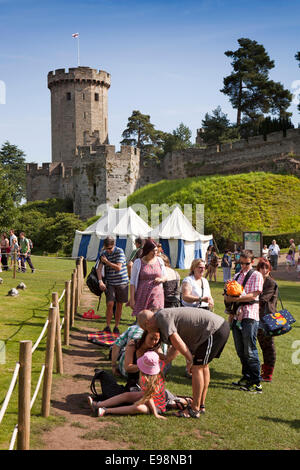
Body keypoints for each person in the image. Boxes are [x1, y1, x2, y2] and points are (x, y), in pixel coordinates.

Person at [137, 307, 230, 418]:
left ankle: (194, 409)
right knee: (203, 366)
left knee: (197, 368)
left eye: (145, 329)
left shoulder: (162, 318)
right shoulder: (161, 319)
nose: (147, 332)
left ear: (147, 323)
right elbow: (176, 344)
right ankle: (200, 405)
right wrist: (166, 360)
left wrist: (190, 360)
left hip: (214, 329)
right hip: (217, 328)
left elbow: (177, 341)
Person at [88, 350, 191, 419]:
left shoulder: (147, 381)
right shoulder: (157, 370)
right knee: (127, 395)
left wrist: (155, 413)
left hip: (157, 406)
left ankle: (105, 410)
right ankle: (98, 404)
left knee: (138, 407)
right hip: (147, 396)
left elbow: (149, 398)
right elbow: (171, 356)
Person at [224, 250, 264, 393]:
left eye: (246, 263)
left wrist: (236, 298)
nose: (243, 266)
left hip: (250, 315)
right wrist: (228, 292)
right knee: (241, 350)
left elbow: (253, 296)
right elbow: (228, 297)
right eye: (241, 263)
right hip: (236, 316)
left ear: (252, 262)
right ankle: (246, 377)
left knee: (250, 349)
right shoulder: (236, 276)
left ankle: (256, 382)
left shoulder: (256, 275)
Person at [96, 236, 129, 335]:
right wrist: (100, 281)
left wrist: (107, 262)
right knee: (110, 304)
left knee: (119, 305)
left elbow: (118, 267)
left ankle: (116, 326)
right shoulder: (103, 253)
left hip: (122, 282)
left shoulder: (120, 251)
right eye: (107, 248)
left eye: (110, 248)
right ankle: (107, 326)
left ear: (114, 245)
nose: (108, 251)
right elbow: (98, 269)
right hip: (110, 283)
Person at [129, 239, 167, 318]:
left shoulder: (160, 261)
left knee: (155, 317)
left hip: (157, 294)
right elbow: (132, 282)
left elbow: (165, 276)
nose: (155, 253)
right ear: (147, 250)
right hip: (142, 294)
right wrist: (132, 299)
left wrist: (161, 279)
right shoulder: (138, 262)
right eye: (152, 251)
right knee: (143, 318)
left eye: (156, 250)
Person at [256, 258, 278, 382]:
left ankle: (268, 373)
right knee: (261, 345)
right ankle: (263, 370)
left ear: (269, 269)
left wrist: (248, 298)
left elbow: (262, 299)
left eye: (266, 268)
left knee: (268, 346)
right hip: (258, 318)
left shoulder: (270, 283)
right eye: (261, 267)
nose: (264, 270)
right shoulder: (258, 280)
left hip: (268, 319)